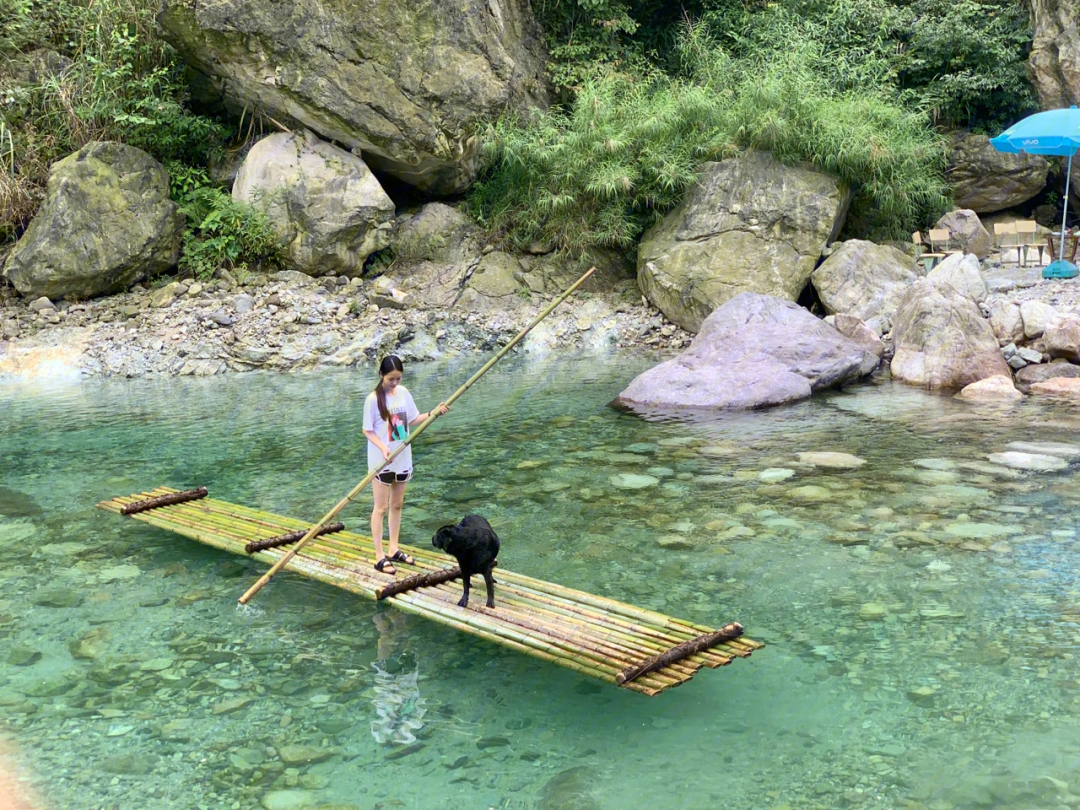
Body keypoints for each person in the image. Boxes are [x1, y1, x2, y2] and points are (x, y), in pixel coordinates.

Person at [362, 355, 448, 574]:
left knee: (397, 505)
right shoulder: (373, 399)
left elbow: (412, 419)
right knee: (380, 507)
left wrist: (433, 413)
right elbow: (367, 430)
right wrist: (382, 447)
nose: (395, 383)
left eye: (398, 378)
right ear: (381, 375)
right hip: (382, 459)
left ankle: (393, 548)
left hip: (402, 456)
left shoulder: (404, 393)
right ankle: (379, 555)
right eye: (391, 379)